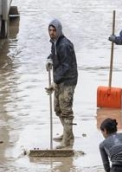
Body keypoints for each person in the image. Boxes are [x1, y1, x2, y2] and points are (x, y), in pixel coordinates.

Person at [46, 19, 78, 149]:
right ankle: (67, 133)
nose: (51, 33)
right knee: (58, 109)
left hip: (68, 80)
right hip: (59, 79)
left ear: (59, 30)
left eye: (54, 30)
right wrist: (49, 59)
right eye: (50, 30)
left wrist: (55, 82)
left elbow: (66, 66)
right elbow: (55, 55)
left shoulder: (64, 45)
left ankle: (67, 140)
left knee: (66, 111)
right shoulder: (55, 43)